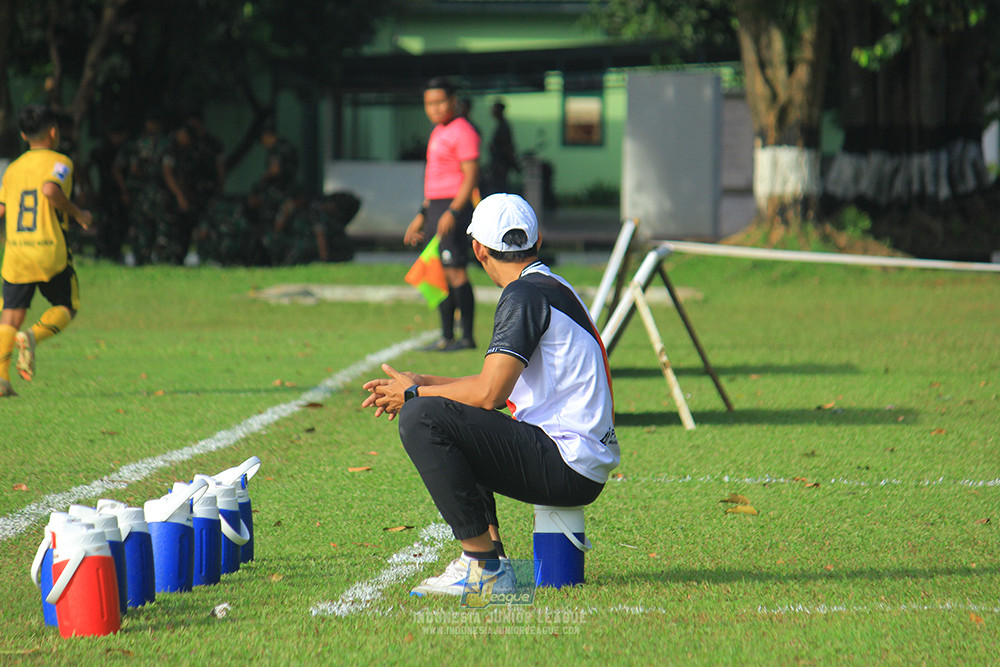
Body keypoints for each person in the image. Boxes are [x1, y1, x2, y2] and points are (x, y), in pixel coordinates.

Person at [362, 193, 620, 596]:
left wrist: (414, 395)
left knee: (421, 418)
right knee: (444, 410)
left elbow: (489, 393)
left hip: (568, 462)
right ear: (536, 241)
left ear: (478, 249)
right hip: (578, 457)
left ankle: (483, 566)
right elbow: (492, 389)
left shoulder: (523, 295)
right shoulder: (548, 285)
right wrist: (421, 380)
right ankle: (492, 559)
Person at [0, 104, 92, 397]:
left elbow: (1, 208)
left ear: (25, 135)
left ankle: (1, 380)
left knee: (10, 316)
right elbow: (51, 191)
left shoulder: (13, 168)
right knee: (68, 305)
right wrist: (78, 213)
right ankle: (32, 336)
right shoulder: (60, 162)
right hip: (49, 249)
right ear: (53, 132)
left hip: (17, 252)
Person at [404, 77, 480, 352]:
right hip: (435, 206)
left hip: (453, 205)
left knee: (456, 271)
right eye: (429, 103)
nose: (434, 108)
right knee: (437, 270)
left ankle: (467, 337)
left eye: (440, 102)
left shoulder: (464, 130)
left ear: (453, 101)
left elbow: (470, 176)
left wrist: (454, 211)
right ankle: (446, 336)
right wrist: (423, 213)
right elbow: (434, 176)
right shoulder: (438, 131)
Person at [485, 100, 519, 196]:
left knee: (500, 188)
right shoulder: (500, 125)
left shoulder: (504, 127)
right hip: (498, 164)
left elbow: (506, 146)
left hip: (500, 164)